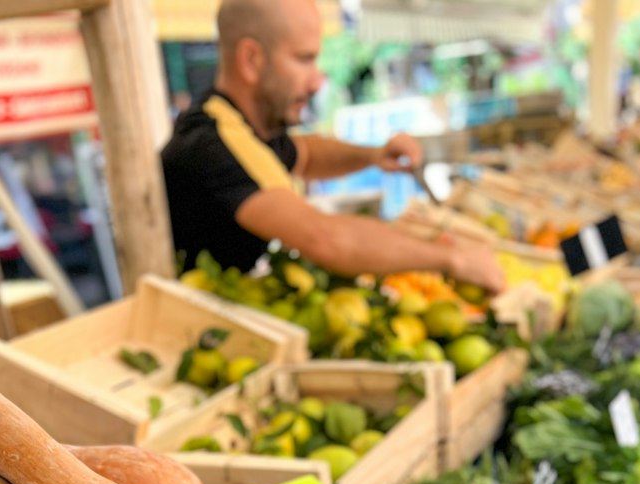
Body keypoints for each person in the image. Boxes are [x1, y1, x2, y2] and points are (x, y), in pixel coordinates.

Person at [160, 0, 505, 292]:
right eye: (303, 59)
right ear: (251, 59)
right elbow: (323, 238)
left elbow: (305, 155)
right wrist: (451, 258)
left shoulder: (244, 129)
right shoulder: (211, 146)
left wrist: (372, 155)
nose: (317, 80)